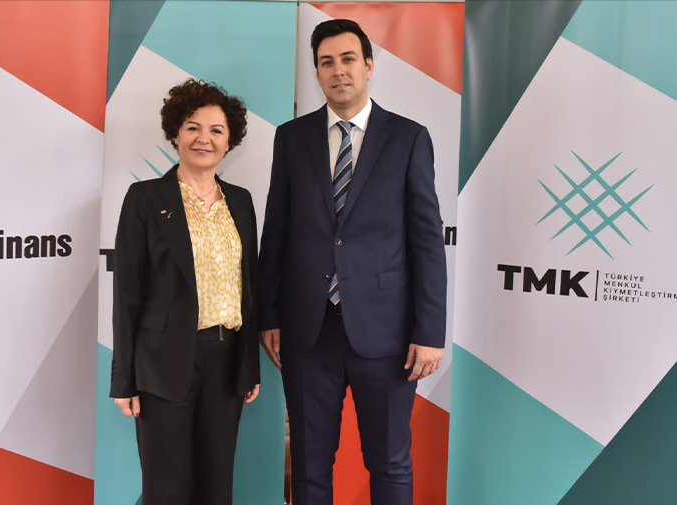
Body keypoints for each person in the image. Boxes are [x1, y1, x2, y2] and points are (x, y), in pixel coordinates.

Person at [259, 19, 447, 505]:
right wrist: (270, 315)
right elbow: (276, 232)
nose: (337, 70)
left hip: (387, 336)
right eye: (326, 62)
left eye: (347, 59)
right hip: (308, 332)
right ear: (317, 73)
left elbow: (427, 240)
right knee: (309, 464)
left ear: (368, 65)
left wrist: (429, 332)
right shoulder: (291, 138)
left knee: (389, 463)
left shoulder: (408, 138)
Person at [110, 78, 261, 505]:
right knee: (167, 489)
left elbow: (249, 287)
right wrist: (124, 380)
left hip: (226, 363)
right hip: (163, 364)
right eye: (192, 127)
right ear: (175, 133)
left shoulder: (241, 202)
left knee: (217, 487)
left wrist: (249, 364)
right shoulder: (144, 198)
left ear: (229, 142)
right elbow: (127, 294)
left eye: (216, 130)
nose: (203, 139)